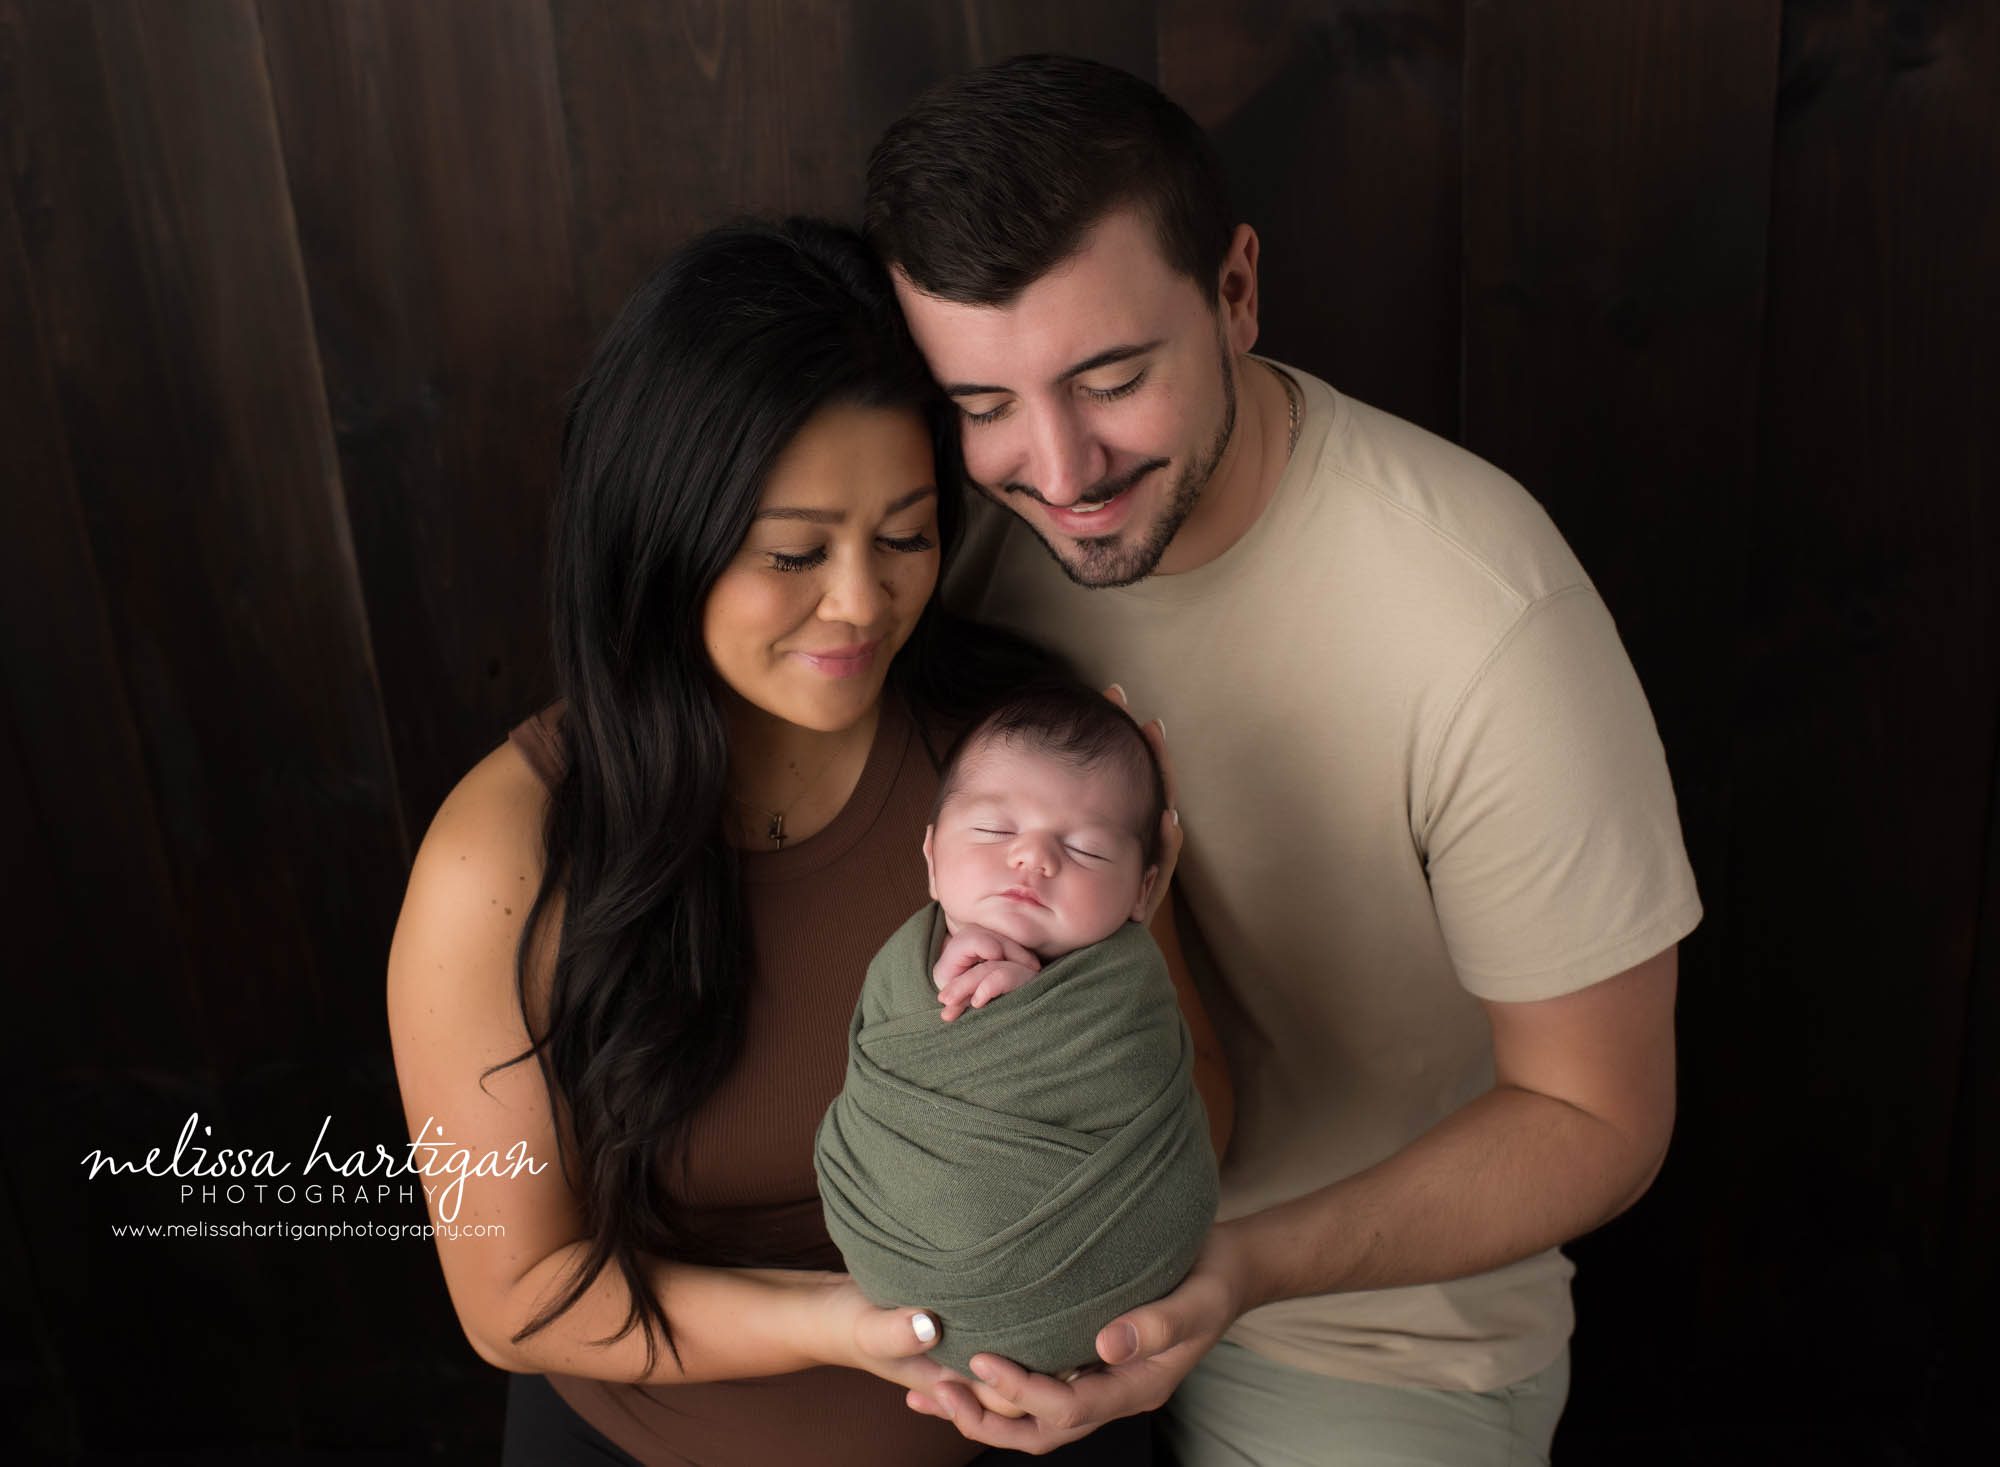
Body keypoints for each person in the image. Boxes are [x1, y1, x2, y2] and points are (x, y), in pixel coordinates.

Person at [864, 54, 1702, 1465]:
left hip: (1369, 1332)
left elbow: (1599, 1111)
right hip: (1015, 1259)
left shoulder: (1484, 617)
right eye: (984, 404)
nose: (1056, 467)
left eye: (1113, 378)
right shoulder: (960, 552)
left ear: (1239, 292)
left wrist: (1240, 1266)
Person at [384, 216, 1221, 1466]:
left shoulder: (1011, 774)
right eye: (792, 552)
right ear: (662, 540)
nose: (859, 603)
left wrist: (1116, 1321)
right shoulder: (499, 857)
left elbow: (1196, 1104)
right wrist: (855, 1324)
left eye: (903, 536)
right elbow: (514, 1297)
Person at [815, 683, 1219, 1382]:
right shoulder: (904, 965)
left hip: (1105, 1272)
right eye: (996, 831)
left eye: (1086, 849)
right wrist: (953, 999)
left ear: (1144, 891)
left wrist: (1039, 1016)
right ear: (933, 857)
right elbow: (883, 1069)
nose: (1033, 859)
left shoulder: (1128, 987)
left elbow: (1149, 1088)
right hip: (894, 1249)